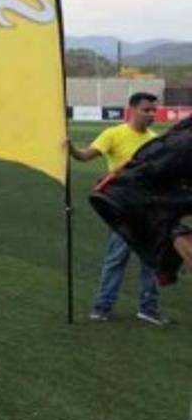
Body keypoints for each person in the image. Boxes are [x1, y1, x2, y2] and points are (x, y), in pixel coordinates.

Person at [69, 91, 168, 325]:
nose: (151, 114)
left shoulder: (154, 140)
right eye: (146, 110)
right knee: (116, 259)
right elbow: (85, 156)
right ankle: (101, 307)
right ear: (132, 110)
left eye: (154, 110)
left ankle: (148, 308)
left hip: (149, 209)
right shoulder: (113, 134)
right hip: (122, 207)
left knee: (150, 261)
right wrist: (72, 149)